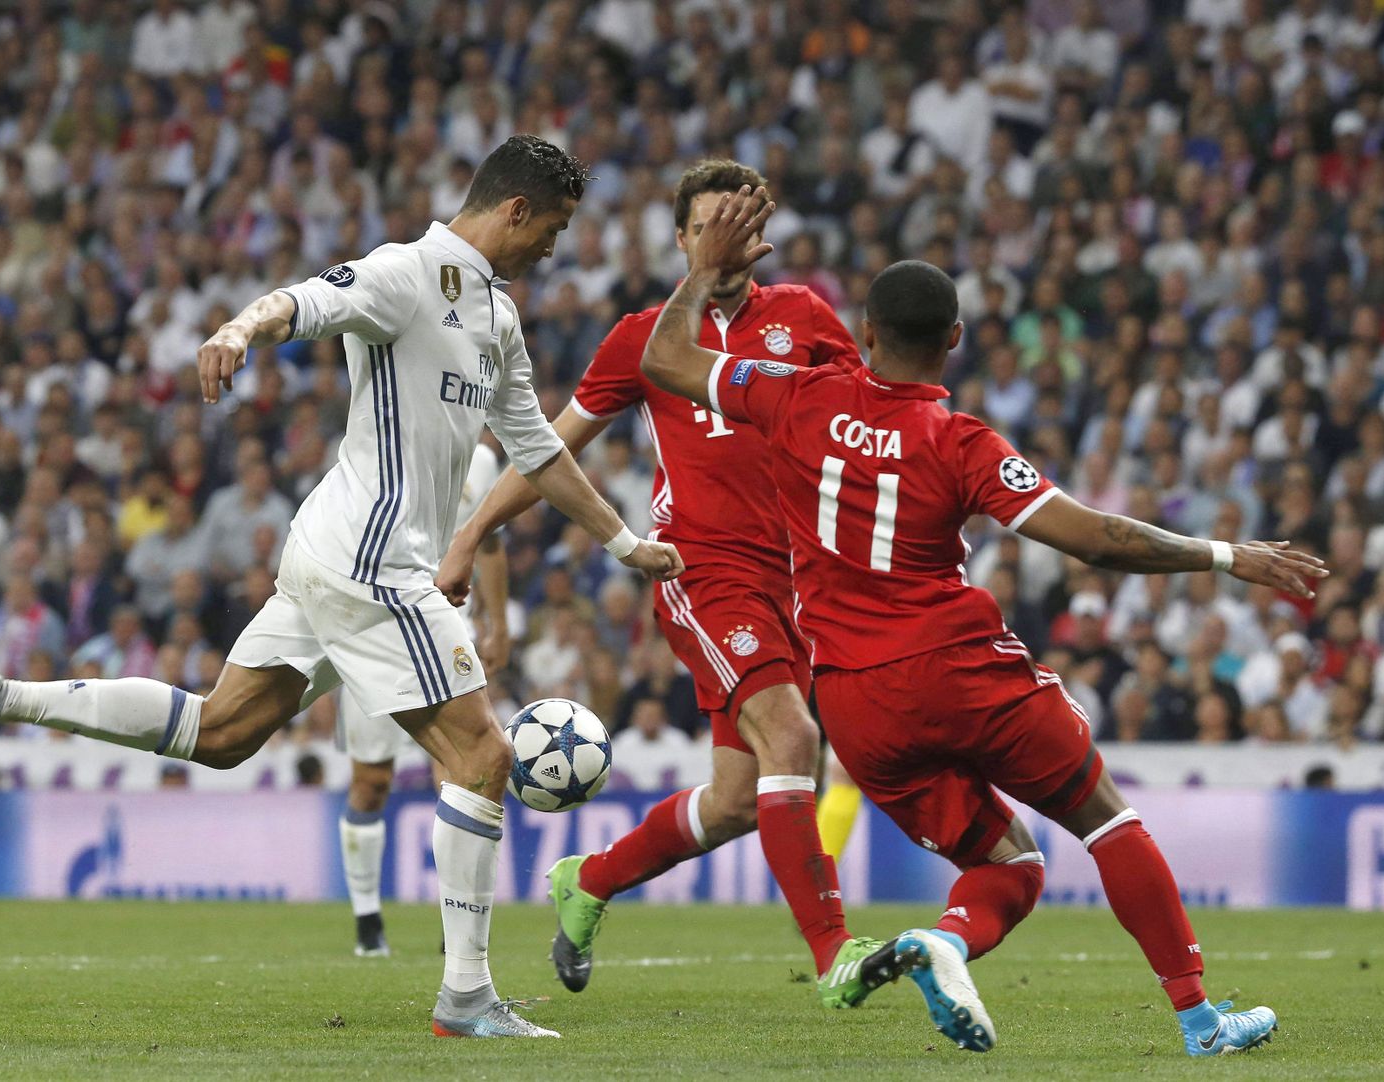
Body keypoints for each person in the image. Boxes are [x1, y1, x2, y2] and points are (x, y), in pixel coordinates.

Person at [0, 135, 684, 1040]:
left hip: (334, 554)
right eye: (554, 228)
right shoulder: (407, 273)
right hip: (373, 561)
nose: (554, 250)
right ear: (516, 210)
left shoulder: (497, 318)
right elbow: (304, 300)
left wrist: (620, 541)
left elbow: (537, 448)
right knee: (482, 758)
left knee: (220, 734)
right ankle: (466, 1000)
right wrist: (237, 328)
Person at [639, 187, 1319, 1056]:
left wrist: (701, 274)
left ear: (868, 334)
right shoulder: (961, 442)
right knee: (1105, 820)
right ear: (954, 339)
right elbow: (1101, 540)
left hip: (854, 701)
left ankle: (945, 940)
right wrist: (1226, 555)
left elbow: (664, 360)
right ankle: (1197, 1018)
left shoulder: (795, 396)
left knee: (1009, 866)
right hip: (961, 669)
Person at [439, 159, 885, 1007]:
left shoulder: (805, 318)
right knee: (793, 743)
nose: (725, 236)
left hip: (798, 580)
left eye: (739, 221)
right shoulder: (643, 336)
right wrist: (471, 534)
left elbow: (865, 423)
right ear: (682, 240)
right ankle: (835, 956)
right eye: (708, 223)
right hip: (703, 571)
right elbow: (550, 449)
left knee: (736, 801)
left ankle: (591, 881)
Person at [338, 439, 509, 959]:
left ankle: (454, 923)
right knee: (371, 782)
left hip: (443, 626)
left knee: (461, 771)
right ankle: (367, 920)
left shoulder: (480, 460)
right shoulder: (372, 445)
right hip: (373, 628)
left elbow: (492, 544)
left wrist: (498, 621)